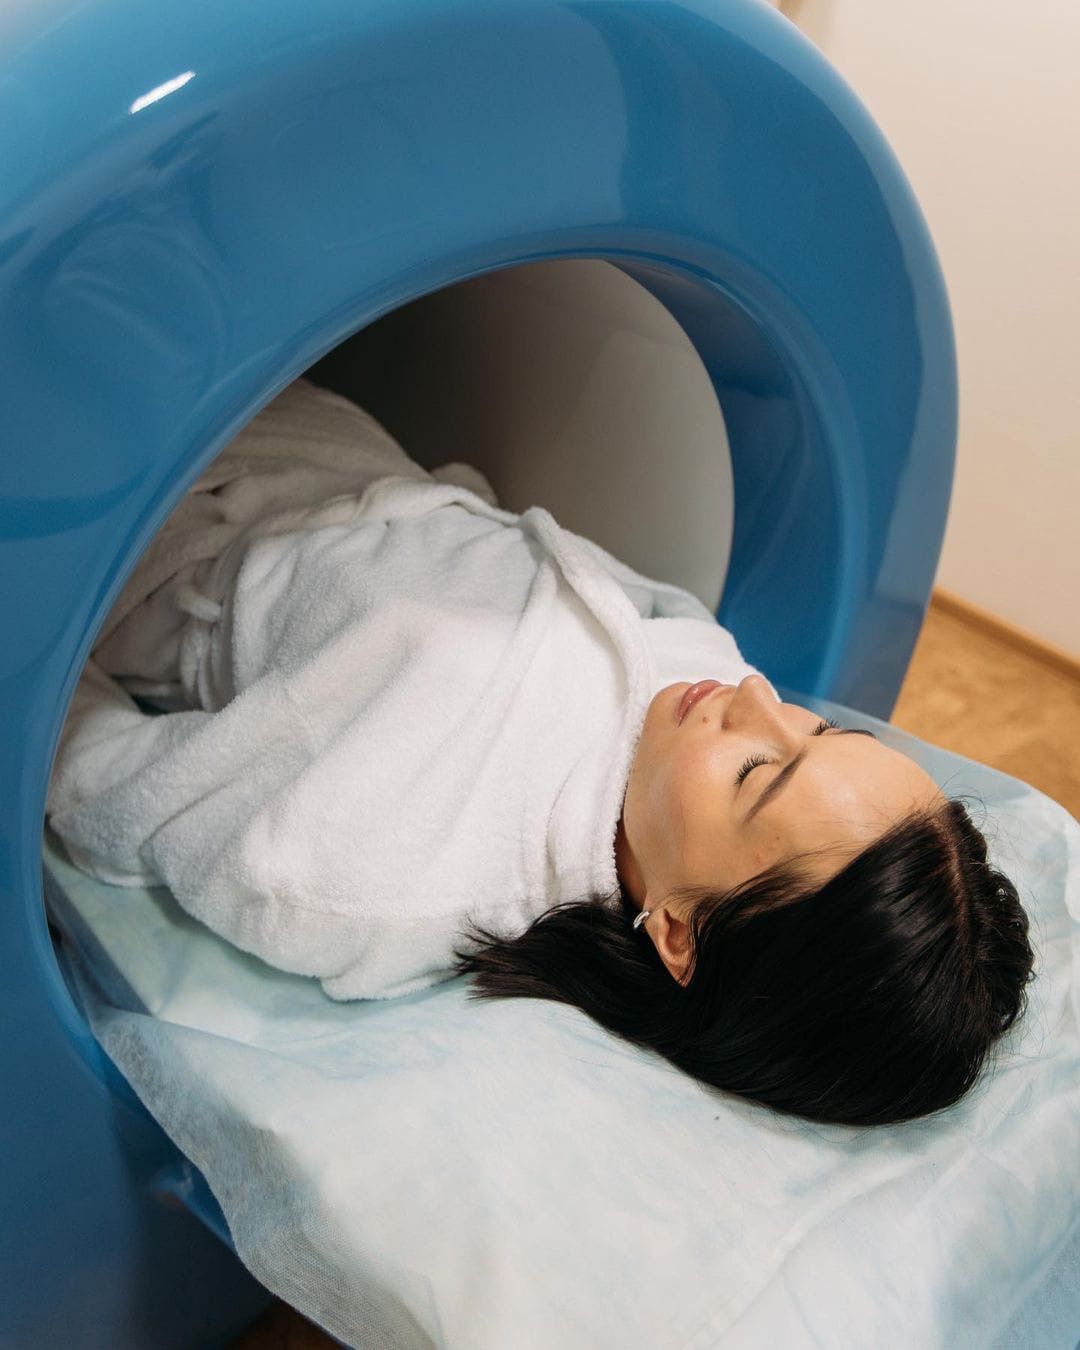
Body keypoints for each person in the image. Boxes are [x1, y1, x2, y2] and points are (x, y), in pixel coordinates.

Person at [46, 378, 1036, 1130]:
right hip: (290, 405)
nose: (754, 700)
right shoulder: (689, 677)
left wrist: (44, 656)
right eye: (817, 730)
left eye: (757, 773)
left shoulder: (381, 877)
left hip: (116, 518)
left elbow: (111, 786)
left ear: (679, 932)